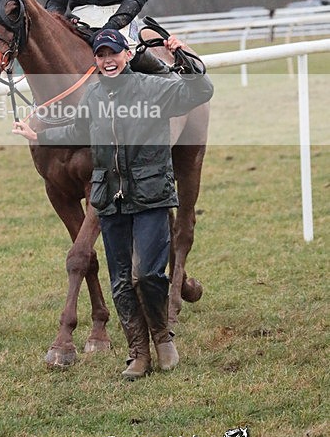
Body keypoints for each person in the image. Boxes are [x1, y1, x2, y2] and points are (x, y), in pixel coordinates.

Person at [13, 28, 214, 379]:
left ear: (126, 56)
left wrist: (184, 57)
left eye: (113, 54)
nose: (107, 61)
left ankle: (163, 339)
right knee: (121, 281)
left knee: (147, 274)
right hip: (113, 201)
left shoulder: (155, 88)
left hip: (150, 197)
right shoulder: (93, 97)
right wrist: (39, 135)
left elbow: (201, 90)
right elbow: (77, 133)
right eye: (101, 56)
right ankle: (138, 353)